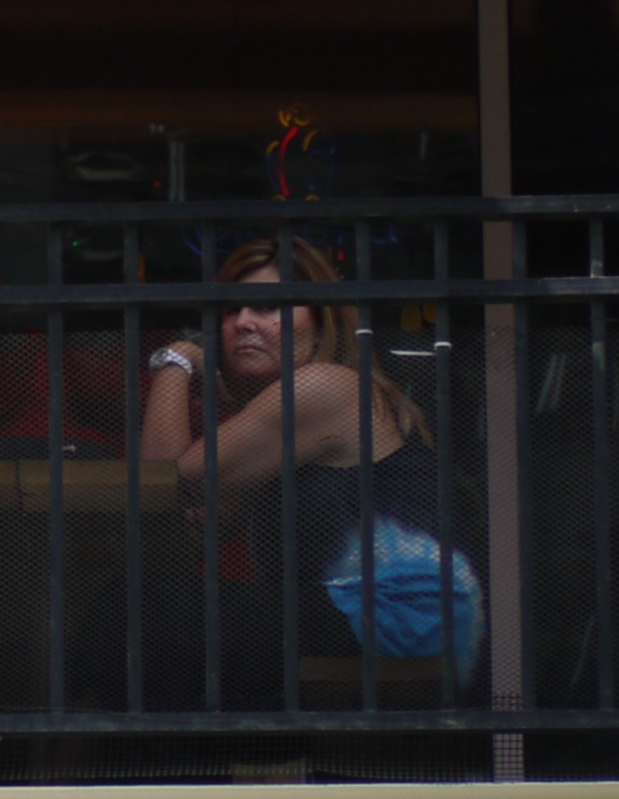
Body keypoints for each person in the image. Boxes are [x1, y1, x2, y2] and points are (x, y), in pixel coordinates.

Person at [135, 235, 483, 698]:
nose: (243, 322)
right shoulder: (294, 415)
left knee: (149, 613)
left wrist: (176, 359)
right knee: (161, 613)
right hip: (366, 618)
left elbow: (167, 481)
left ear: (321, 326)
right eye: (231, 310)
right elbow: (198, 522)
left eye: (269, 307)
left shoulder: (325, 387)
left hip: (395, 621)